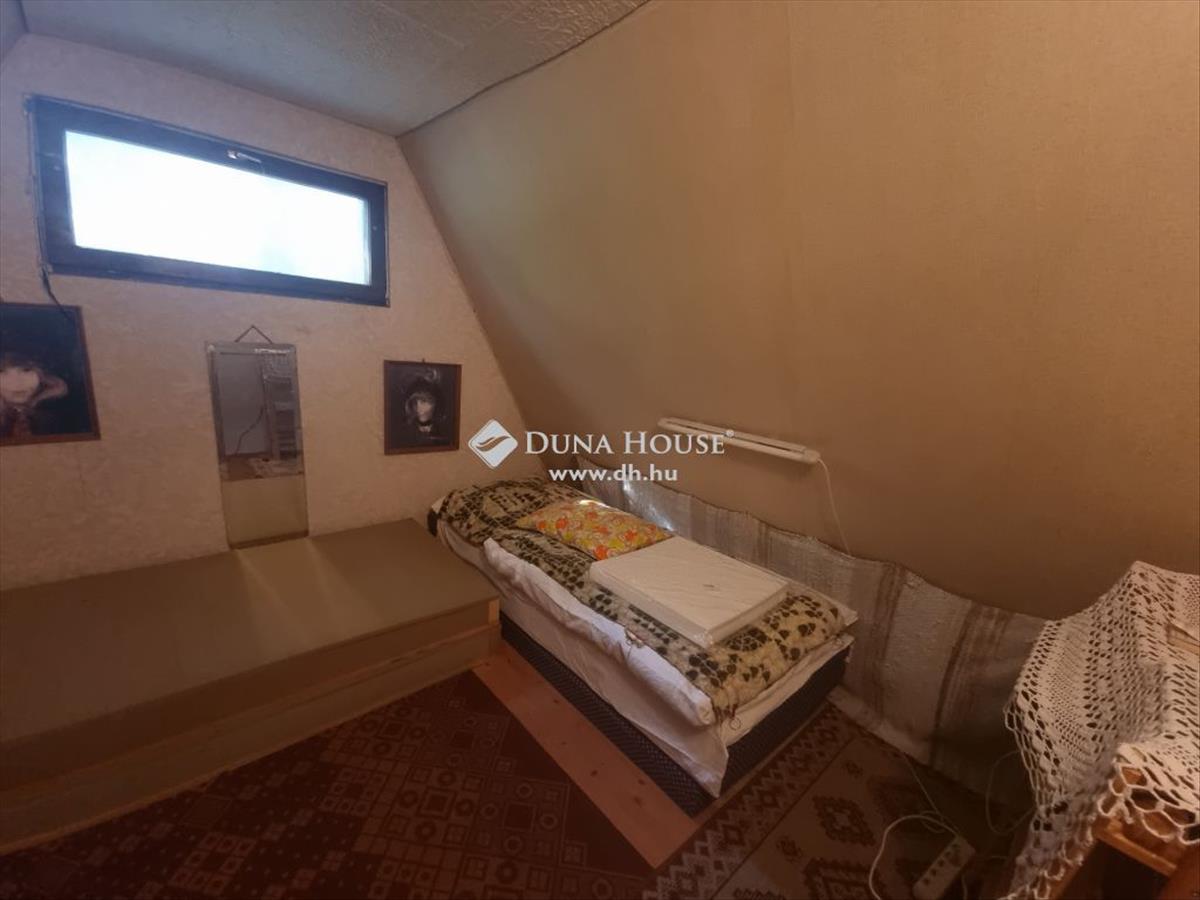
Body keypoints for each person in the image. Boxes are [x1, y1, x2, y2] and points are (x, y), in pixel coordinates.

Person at [0, 352, 71, 439]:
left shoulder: (62, 417)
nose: (16, 383)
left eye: (26, 370)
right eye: (1, 371)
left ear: (43, 376)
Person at [390, 374, 451, 447]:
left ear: (436, 404)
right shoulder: (402, 434)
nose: (418, 407)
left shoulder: (444, 433)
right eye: (415, 402)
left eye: (423, 401)